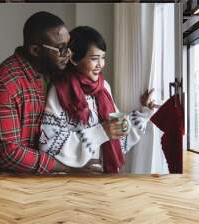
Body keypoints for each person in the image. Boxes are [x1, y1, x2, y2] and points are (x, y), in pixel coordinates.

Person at [39, 26, 155, 173]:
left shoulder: (104, 87)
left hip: (104, 174)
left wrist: (144, 113)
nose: (100, 64)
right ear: (74, 59)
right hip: (72, 181)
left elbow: (117, 131)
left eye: (103, 57)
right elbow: (48, 142)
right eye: (94, 59)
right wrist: (101, 132)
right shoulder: (60, 90)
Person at [0, 11, 73, 173]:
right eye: (60, 48)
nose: (68, 54)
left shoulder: (54, 72)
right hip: (8, 186)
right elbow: (7, 153)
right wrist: (67, 168)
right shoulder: (3, 84)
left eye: (68, 46)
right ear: (35, 50)